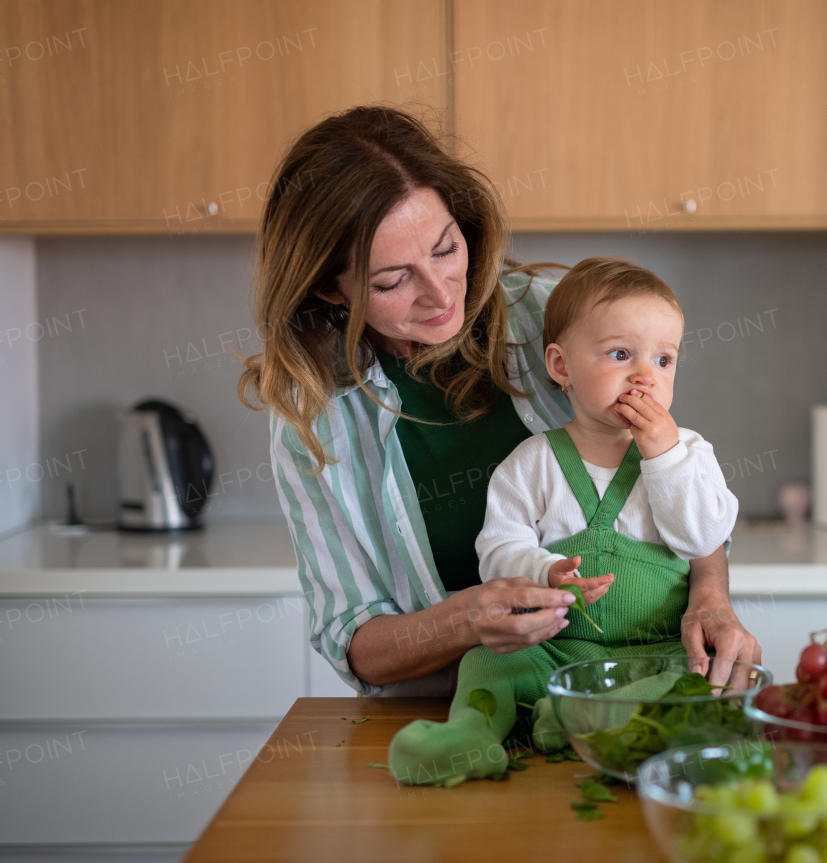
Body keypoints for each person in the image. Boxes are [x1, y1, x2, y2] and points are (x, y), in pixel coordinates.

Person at [238, 105, 760, 700]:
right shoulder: (314, 415)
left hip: (612, 682)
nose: (439, 295)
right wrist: (465, 621)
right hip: (447, 709)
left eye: (444, 249)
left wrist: (711, 599)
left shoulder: (553, 316)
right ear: (331, 286)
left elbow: (678, 479)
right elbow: (352, 638)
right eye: (390, 281)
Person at [387, 257, 738, 783]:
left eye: (664, 361)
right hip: (556, 650)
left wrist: (664, 457)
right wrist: (543, 570)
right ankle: (472, 736)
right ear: (561, 366)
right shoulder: (532, 462)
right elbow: (497, 549)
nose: (646, 375)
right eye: (621, 354)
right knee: (484, 664)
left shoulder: (688, 455)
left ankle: (582, 717)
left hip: (655, 650)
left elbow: (705, 537)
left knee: (693, 677)